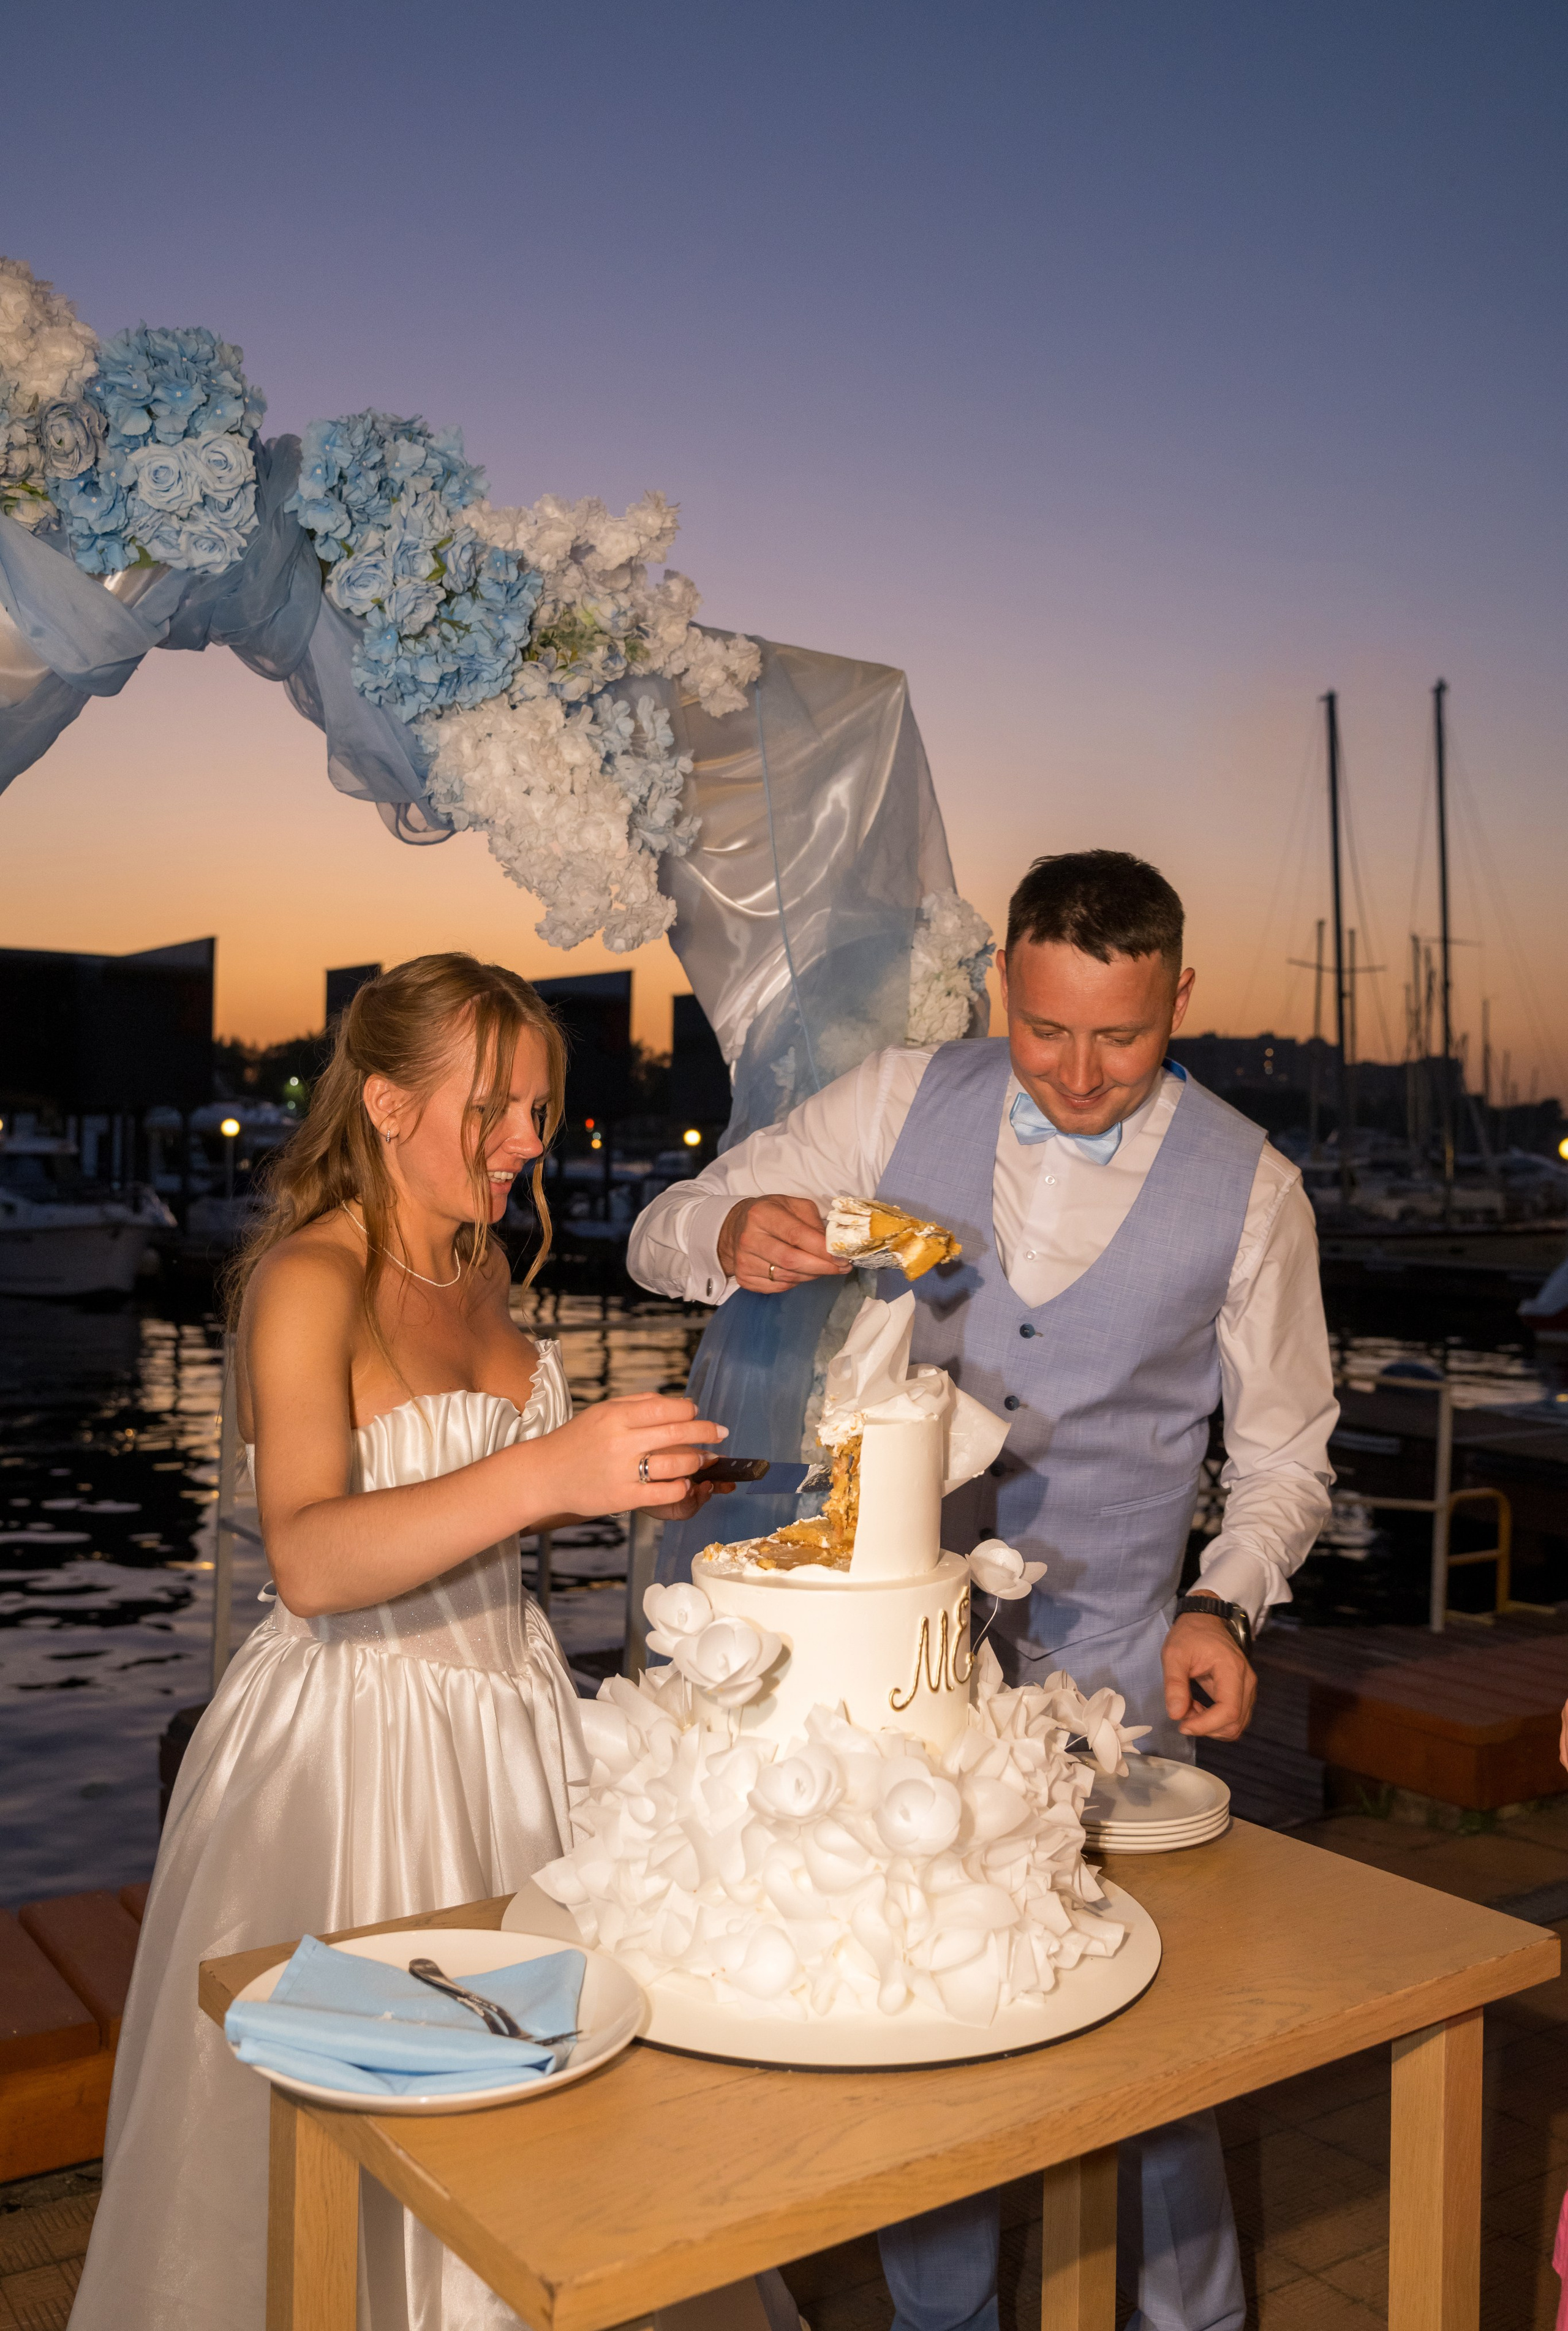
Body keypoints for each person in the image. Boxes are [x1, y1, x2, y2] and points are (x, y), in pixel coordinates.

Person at [628, 850, 1338, 2331]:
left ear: (1180, 999)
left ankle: (1191, 2319)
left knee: (1161, 2044)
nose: (1078, 1075)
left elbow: (1282, 1455)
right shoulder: (897, 1097)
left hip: (1121, 1678)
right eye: (1044, 1029)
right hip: (905, 1683)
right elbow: (660, 1230)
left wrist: (1228, 1602)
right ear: (1003, 986)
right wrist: (730, 1236)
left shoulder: (1255, 1188)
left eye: (1121, 1036)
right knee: (925, 2019)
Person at [70, 954, 728, 2331]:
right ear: (381, 1103)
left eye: (538, 1110)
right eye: (493, 1109)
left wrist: (625, 1477)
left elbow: (480, 1516)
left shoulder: (488, 1262)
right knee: (359, 2139)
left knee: (556, 2133)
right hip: (351, 1753)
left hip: (518, 1731)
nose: (526, 1146)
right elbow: (309, 1558)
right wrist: (550, 1474)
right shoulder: (308, 1279)